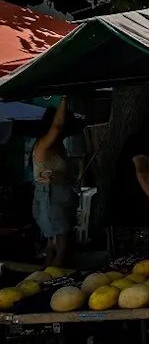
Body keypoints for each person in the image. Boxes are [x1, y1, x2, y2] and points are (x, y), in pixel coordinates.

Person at [32, 99, 76, 266]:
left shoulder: (58, 146)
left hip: (59, 196)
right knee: (60, 246)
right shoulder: (44, 144)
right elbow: (57, 127)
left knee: (54, 244)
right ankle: (54, 281)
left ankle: (49, 277)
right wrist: (65, 98)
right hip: (50, 197)